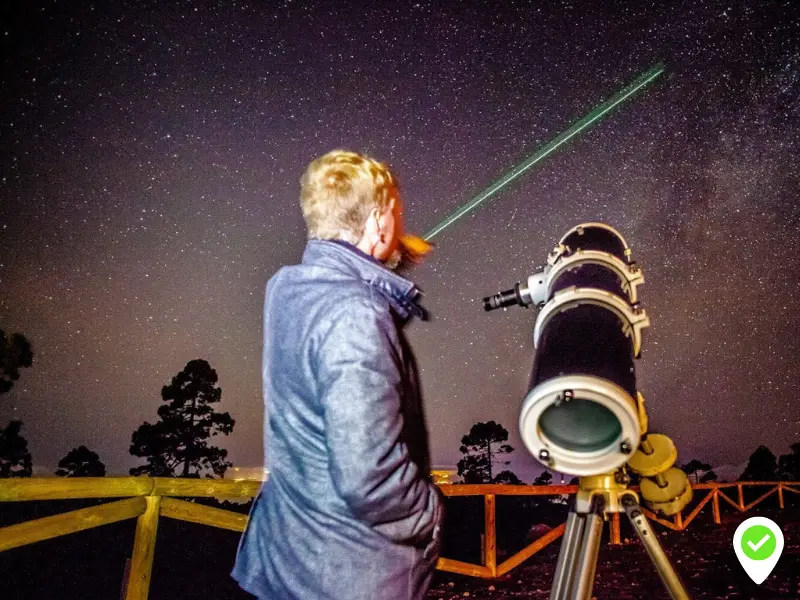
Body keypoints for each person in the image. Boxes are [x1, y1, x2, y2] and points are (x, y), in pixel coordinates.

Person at [232, 150, 445, 600]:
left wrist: (390, 262)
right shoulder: (356, 314)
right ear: (378, 222)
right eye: (396, 216)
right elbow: (371, 481)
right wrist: (432, 516)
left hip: (288, 559)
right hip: (351, 576)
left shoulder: (287, 290)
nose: (400, 226)